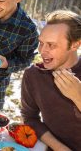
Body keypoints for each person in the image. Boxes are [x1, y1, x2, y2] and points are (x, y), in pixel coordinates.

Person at [21, 10, 81, 150]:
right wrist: (60, 148)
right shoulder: (33, 75)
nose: (42, 51)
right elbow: (30, 118)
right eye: (41, 43)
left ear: (75, 45)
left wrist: (78, 96)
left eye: (51, 45)